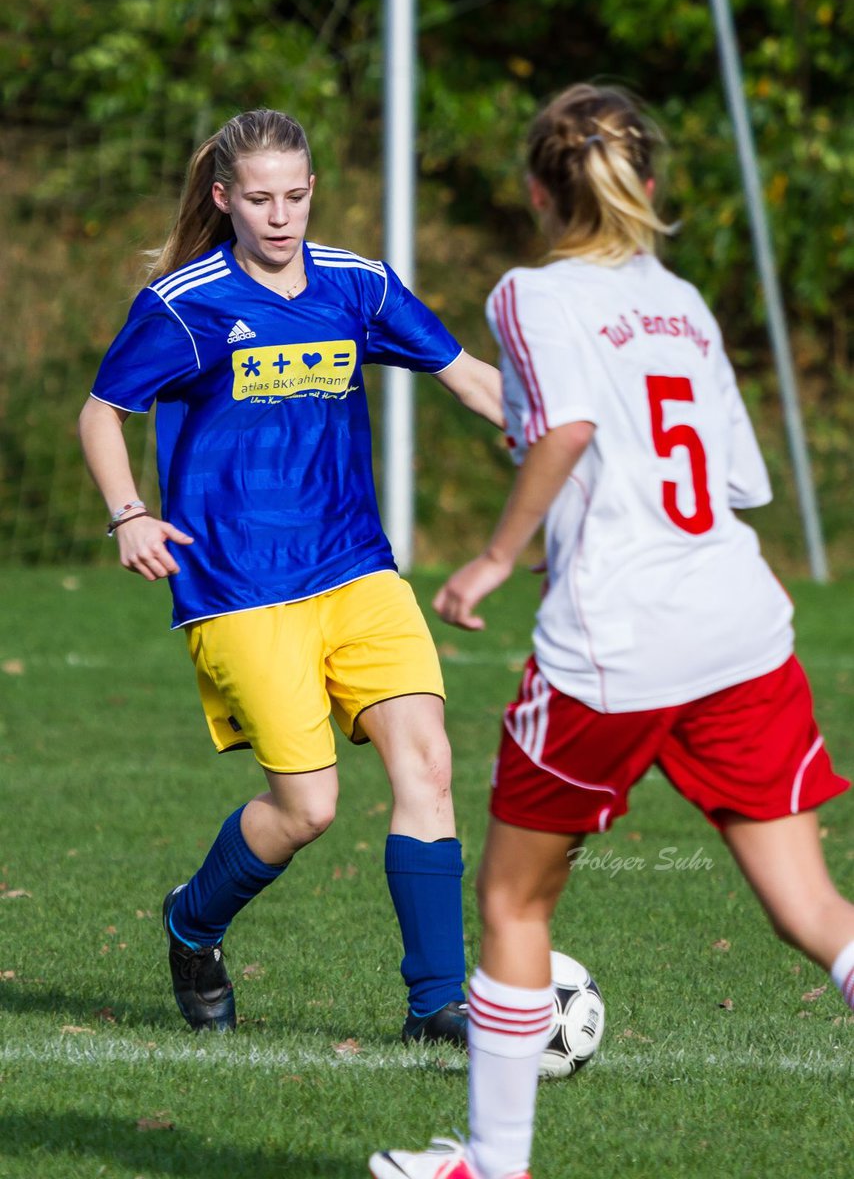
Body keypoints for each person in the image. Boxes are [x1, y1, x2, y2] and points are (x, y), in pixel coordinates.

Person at [368, 81, 854, 1179]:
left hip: (617, 646)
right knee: (809, 906)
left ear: (539, 192)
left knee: (509, 897)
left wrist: (497, 552)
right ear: (646, 182)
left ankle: (491, 1163)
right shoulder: (680, 298)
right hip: (737, 624)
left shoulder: (529, 296)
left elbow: (571, 427)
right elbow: (721, 479)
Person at [78, 108, 504, 1044]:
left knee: (427, 762)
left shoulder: (358, 286)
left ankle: (435, 1005)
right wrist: (129, 513)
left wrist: (563, 430)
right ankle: (194, 922)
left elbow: (470, 376)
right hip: (237, 584)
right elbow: (101, 412)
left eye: (297, 196)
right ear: (224, 198)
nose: (281, 216)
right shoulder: (186, 303)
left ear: (314, 190)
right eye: (261, 199)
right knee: (308, 808)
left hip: (357, 568)